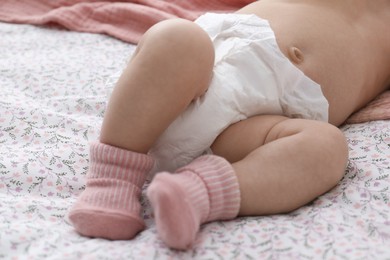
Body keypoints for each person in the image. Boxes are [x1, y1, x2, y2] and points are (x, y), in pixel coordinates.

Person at [68, 0, 390, 250]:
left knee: (326, 147)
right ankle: (112, 181)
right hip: (201, 77)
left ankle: (194, 194)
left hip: (256, 131)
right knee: (177, 37)